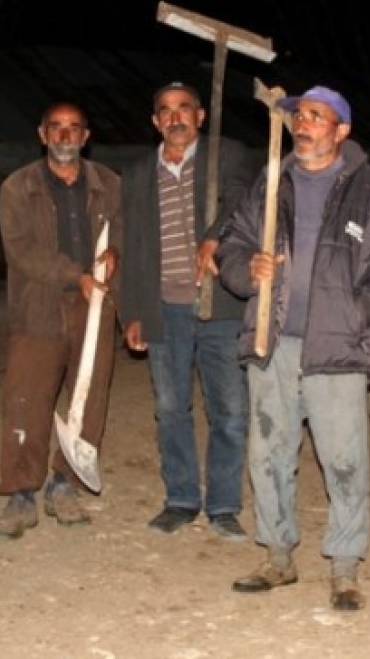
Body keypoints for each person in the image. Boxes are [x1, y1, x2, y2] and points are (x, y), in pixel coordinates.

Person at [215, 85, 370, 611]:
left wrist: (362, 307)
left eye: (316, 117)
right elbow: (235, 240)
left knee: (344, 460)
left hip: (337, 346)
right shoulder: (272, 181)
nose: (303, 125)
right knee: (268, 455)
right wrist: (246, 269)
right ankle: (278, 557)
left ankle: (345, 568)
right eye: (299, 116)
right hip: (272, 339)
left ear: (341, 130)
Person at [120, 82, 255, 541]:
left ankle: (223, 505)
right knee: (170, 407)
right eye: (165, 111)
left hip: (219, 306)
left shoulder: (226, 156)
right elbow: (134, 246)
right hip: (164, 308)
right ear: (155, 121)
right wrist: (132, 311)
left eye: (184, 109)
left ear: (200, 117)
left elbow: (242, 202)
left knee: (231, 412)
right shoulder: (138, 174)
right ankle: (180, 498)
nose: (175, 117)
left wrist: (214, 235)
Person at [0, 102, 122, 539]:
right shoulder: (18, 187)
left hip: (95, 307)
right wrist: (74, 274)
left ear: (86, 136)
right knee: (26, 399)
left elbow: (125, 231)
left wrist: (115, 252)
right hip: (38, 305)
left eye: (74, 128)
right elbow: (21, 250)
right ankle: (21, 493)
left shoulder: (110, 184)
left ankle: (64, 484)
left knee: (88, 396)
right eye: (56, 128)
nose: (65, 136)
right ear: (42, 134)